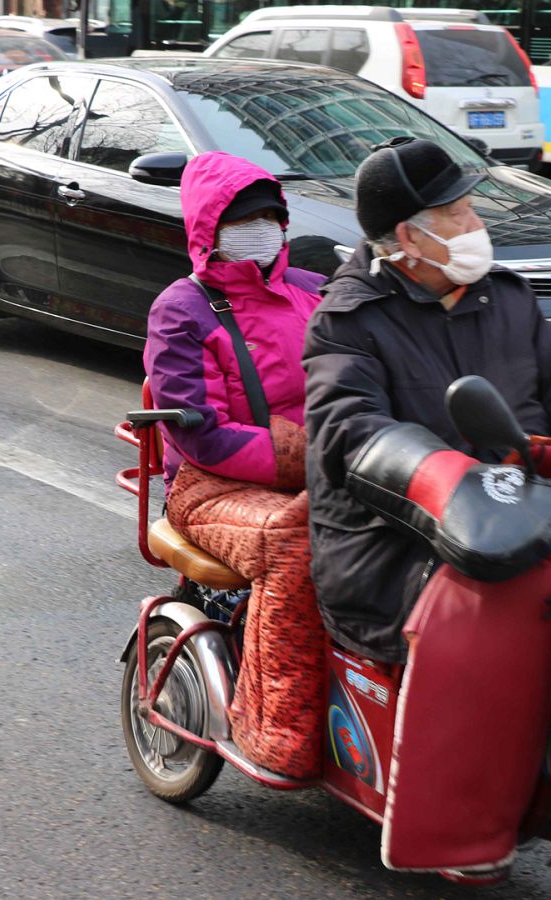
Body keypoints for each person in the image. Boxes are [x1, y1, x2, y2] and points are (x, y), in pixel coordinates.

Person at [301, 136, 551, 877]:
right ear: (404, 239)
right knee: (506, 596)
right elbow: (350, 432)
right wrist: (444, 480)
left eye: (469, 205)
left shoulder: (506, 298)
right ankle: (463, 817)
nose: (473, 222)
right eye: (453, 212)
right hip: (391, 545)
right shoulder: (348, 320)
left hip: (526, 512)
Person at [142, 151, 328, 779]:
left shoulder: (313, 291)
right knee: (296, 540)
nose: (262, 231)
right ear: (208, 230)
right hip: (211, 487)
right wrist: (302, 459)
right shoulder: (182, 309)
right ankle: (273, 728)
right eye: (242, 221)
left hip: (331, 469)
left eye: (270, 218)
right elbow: (203, 437)